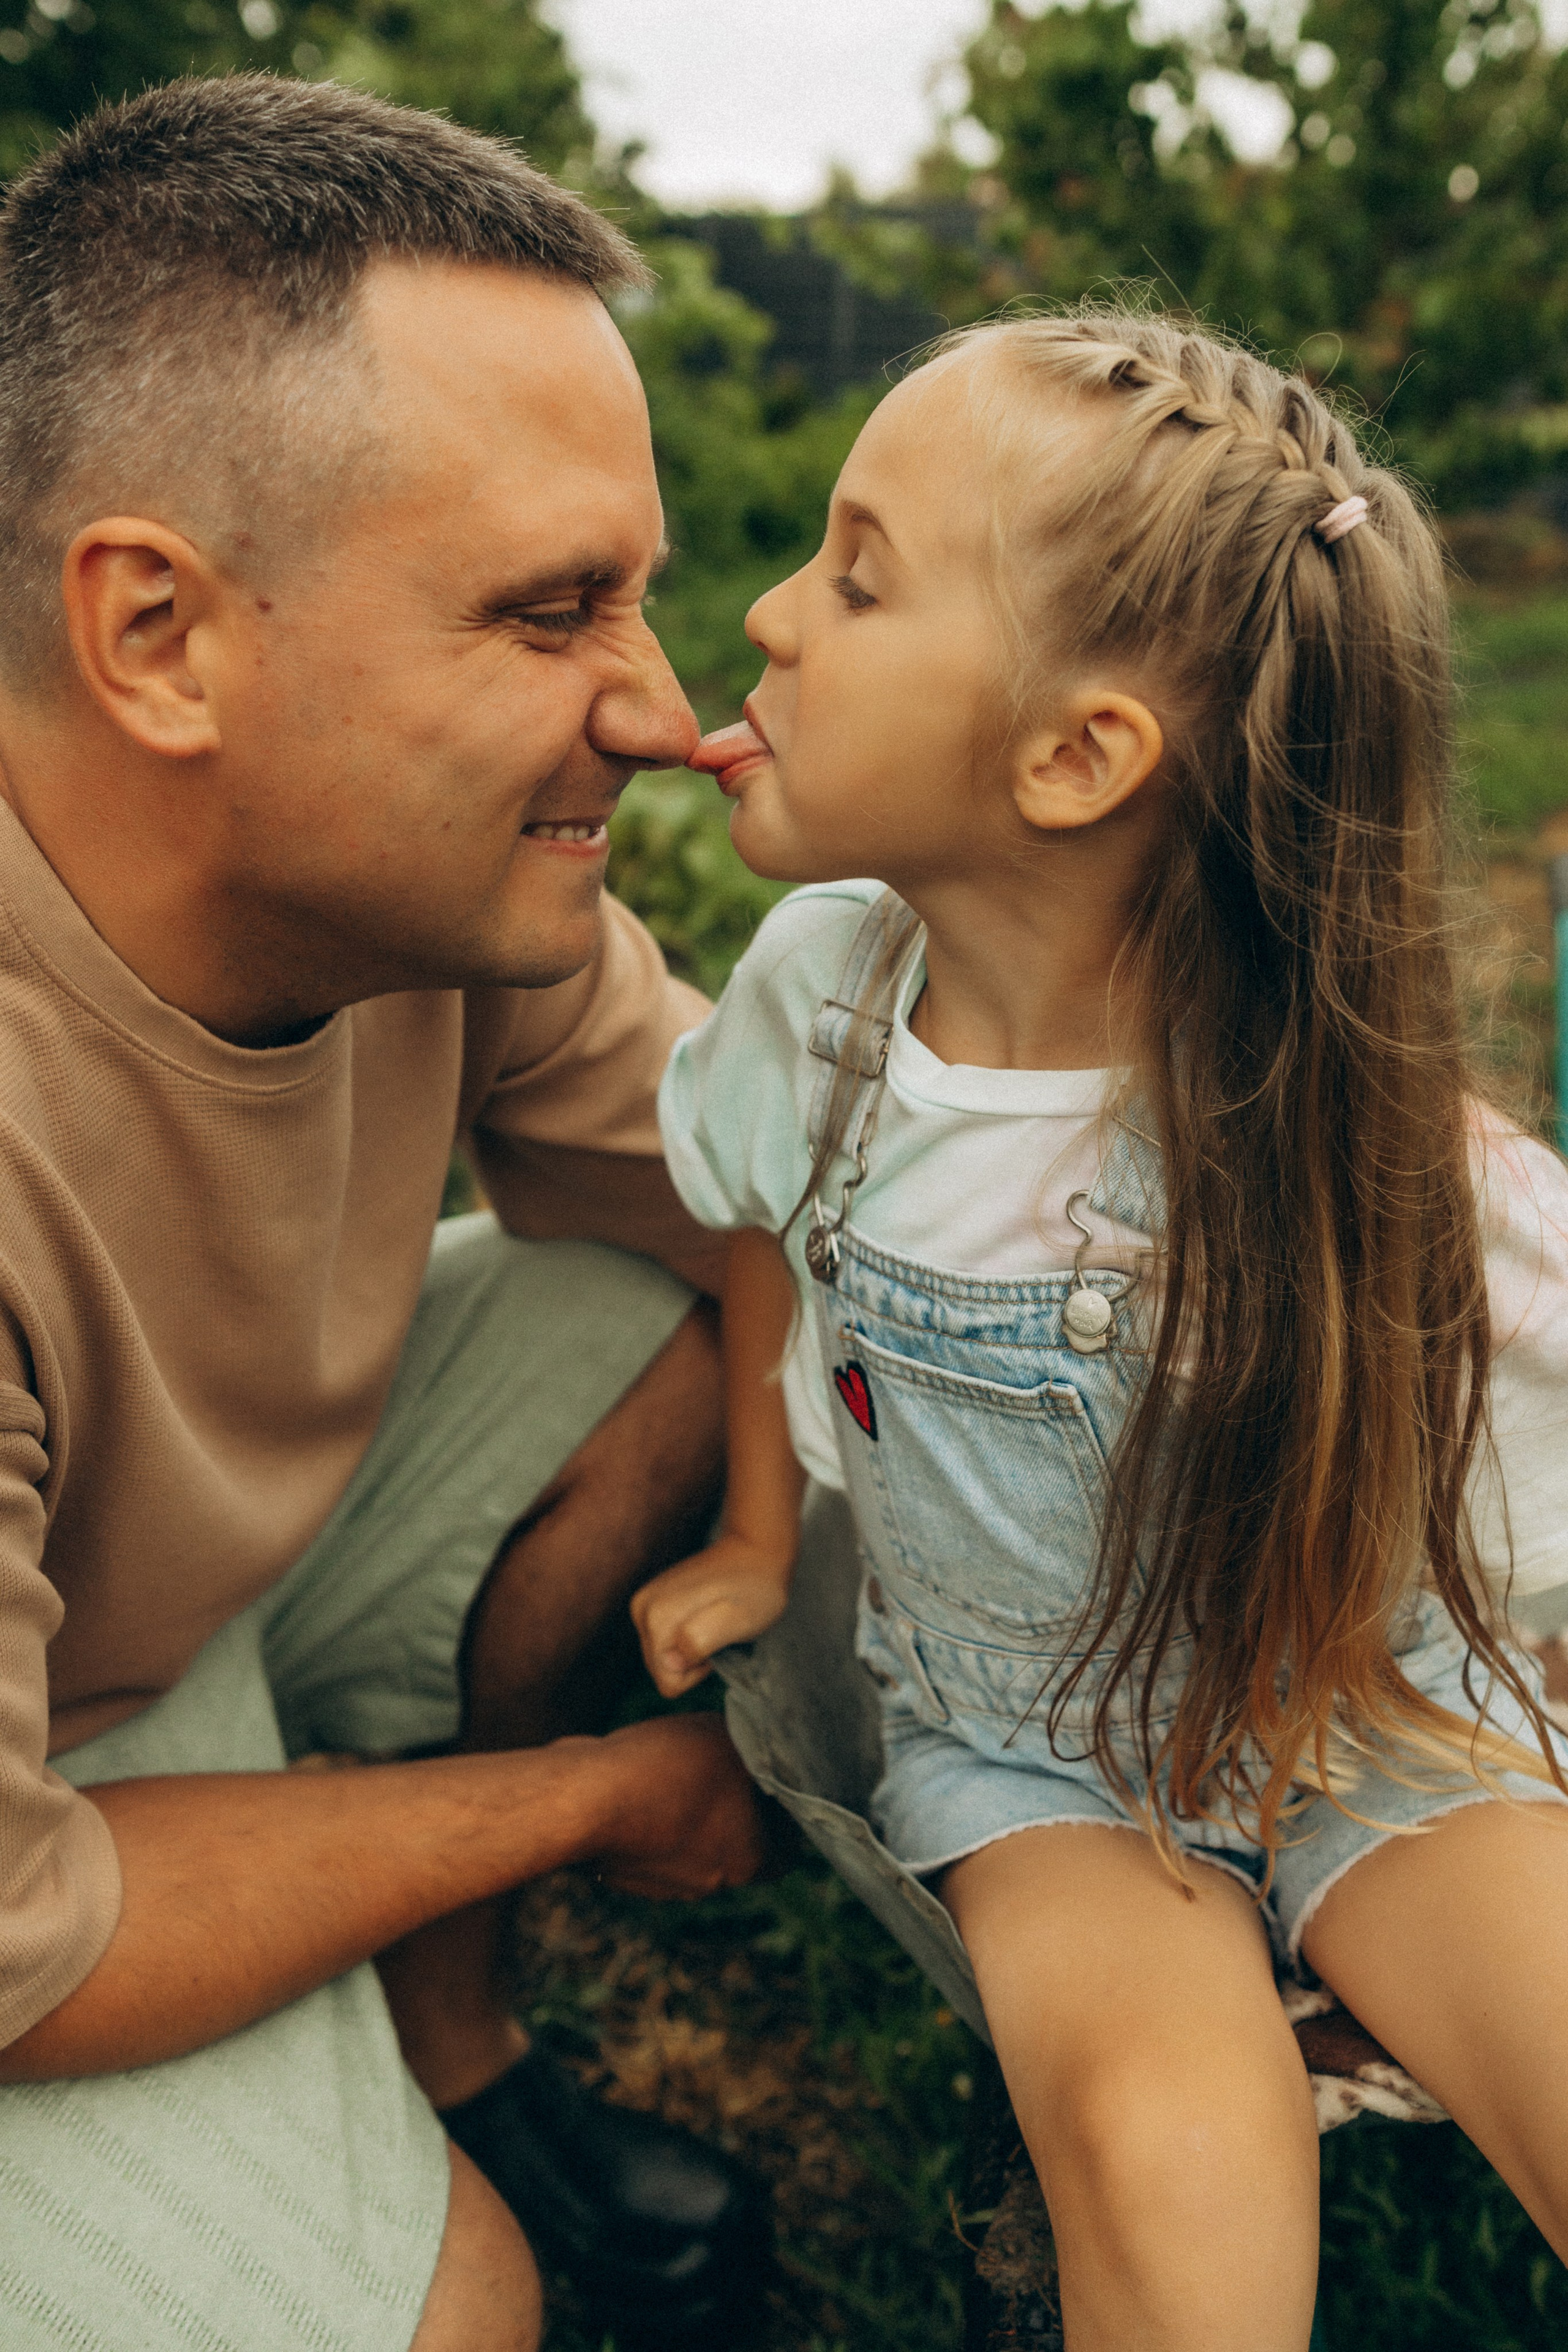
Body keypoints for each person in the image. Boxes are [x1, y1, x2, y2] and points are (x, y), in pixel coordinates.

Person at [632, 307, 1568, 2349]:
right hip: (1033, 1753)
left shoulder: (1363, 1131)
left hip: (1361, 1712)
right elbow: (754, 1227)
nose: (774, 616)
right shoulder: (822, 999)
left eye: (858, 575)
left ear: (1076, 758)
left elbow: (1527, 1469)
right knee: (1165, 2175)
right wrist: (758, 1537)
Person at [0, 71, 774, 2352]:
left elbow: (772, 1196)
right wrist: (593, 1794)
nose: (657, 710)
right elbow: (20, 1940)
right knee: (455, 2329)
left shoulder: (434, 892)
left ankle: (453, 2050)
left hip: (141, 1589)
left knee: (663, 1296)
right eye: (551, 614)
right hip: (37, 1828)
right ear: (158, 637)